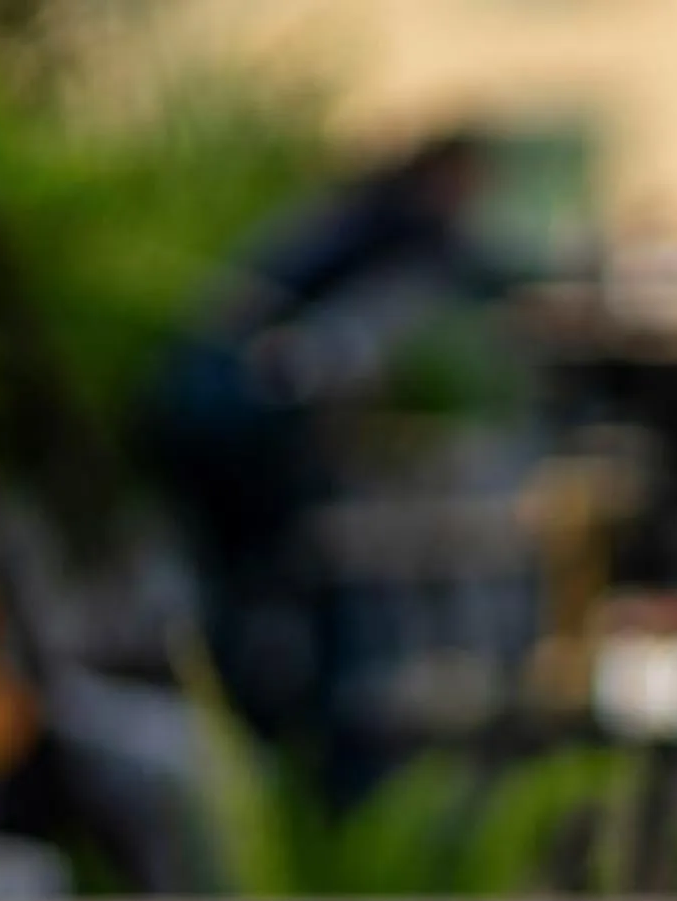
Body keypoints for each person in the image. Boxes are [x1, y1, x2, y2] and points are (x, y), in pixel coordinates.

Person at [144, 132, 503, 799]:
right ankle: (306, 775)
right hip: (236, 418)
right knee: (298, 600)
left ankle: (250, 753)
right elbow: (329, 352)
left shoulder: (347, 215)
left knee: (247, 597)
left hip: (199, 406)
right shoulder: (406, 231)